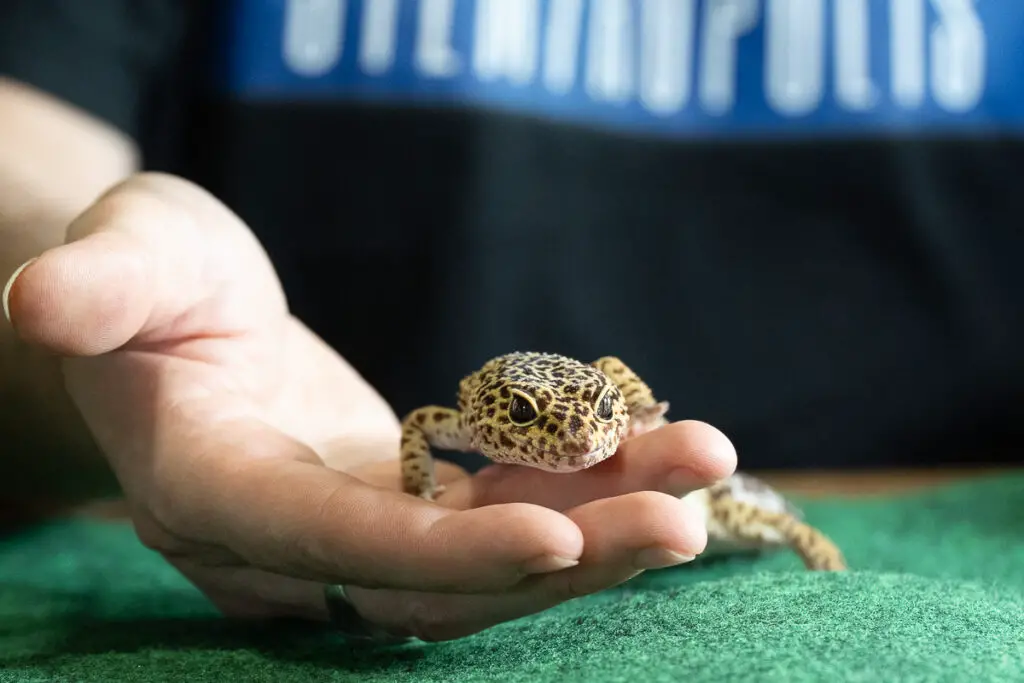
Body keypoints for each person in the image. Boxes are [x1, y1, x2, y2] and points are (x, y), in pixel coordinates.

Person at [0, 0, 1020, 641]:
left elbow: (606, 379)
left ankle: (791, 524)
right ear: (497, 415)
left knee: (743, 509)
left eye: (585, 417)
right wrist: (92, 309)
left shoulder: (596, 404)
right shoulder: (457, 421)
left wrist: (628, 404)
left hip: (915, 488)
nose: (576, 437)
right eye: (548, 423)